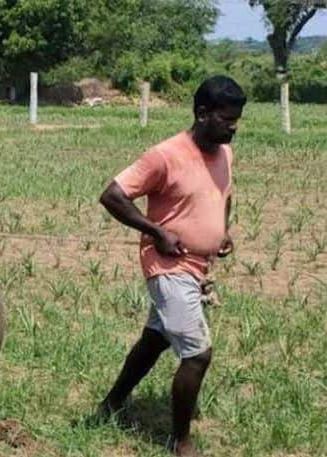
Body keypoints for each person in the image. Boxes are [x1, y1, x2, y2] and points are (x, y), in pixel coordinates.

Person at [98, 76, 246, 456]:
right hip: (168, 266)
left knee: (155, 340)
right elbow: (113, 195)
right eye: (226, 120)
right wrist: (156, 231)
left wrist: (221, 232)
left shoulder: (224, 152)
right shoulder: (165, 156)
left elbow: (222, 194)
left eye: (236, 121)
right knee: (197, 354)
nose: (233, 128)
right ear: (201, 113)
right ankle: (180, 439)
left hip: (198, 266)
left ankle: (111, 404)